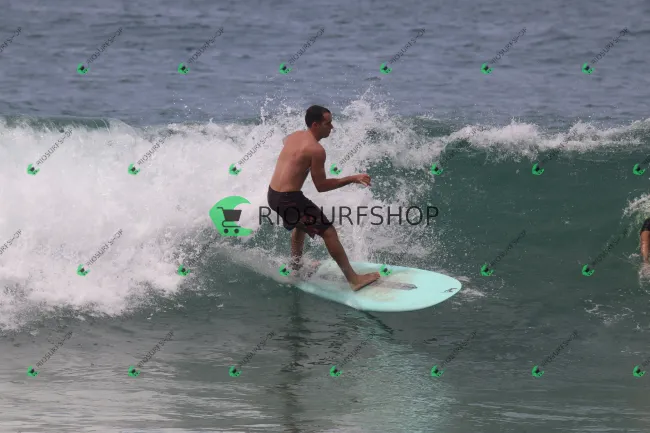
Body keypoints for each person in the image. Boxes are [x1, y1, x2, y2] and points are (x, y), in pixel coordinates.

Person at [267, 105, 381, 291]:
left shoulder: (294, 136)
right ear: (315, 125)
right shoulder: (316, 150)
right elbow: (321, 186)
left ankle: (295, 267)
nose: (332, 127)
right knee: (328, 232)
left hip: (273, 195)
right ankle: (354, 280)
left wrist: (298, 163)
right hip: (289, 199)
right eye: (328, 123)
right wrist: (353, 178)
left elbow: (286, 142)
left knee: (300, 225)